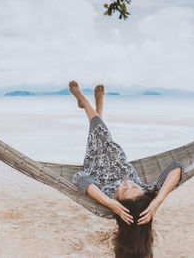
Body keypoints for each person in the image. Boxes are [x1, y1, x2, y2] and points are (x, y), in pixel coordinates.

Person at [69, 81, 184, 258]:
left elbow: (79, 177)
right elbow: (176, 166)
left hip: (95, 159)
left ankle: (84, 102)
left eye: (123, 190)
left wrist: (109, 203)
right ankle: (97, 108)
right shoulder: (146, 193)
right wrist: (158, 200)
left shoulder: (107, 196)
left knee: (100, 135)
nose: (127, 182)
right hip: (116, 152)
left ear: (119, 203)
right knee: (101, 135)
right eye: (134, 186)